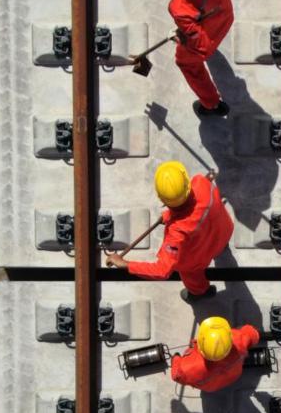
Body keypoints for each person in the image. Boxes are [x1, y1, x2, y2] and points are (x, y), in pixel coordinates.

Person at [105, 161, 233, 302]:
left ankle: (201, 292)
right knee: (217, 244)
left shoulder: (176, 233)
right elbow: (194, 209)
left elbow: (162, 271)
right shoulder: (201, 182)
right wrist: (169, 216)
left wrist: (125, 264)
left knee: (191, 273)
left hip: (197, 259)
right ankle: (221, 249)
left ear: (162, 198)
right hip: (223, 233)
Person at [166, 0, 234, 117]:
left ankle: (212, 104)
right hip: (225, 18)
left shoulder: (180, 6)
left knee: (187, 63)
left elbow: (201, 45)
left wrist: (183, 38)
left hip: (209, 36)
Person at [171, 316, 260, 392]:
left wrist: (176, 358)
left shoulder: (186, 368)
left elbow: (176, 375)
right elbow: (254, 334)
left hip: (211, 388)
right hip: (234, 377)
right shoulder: (239, 340)